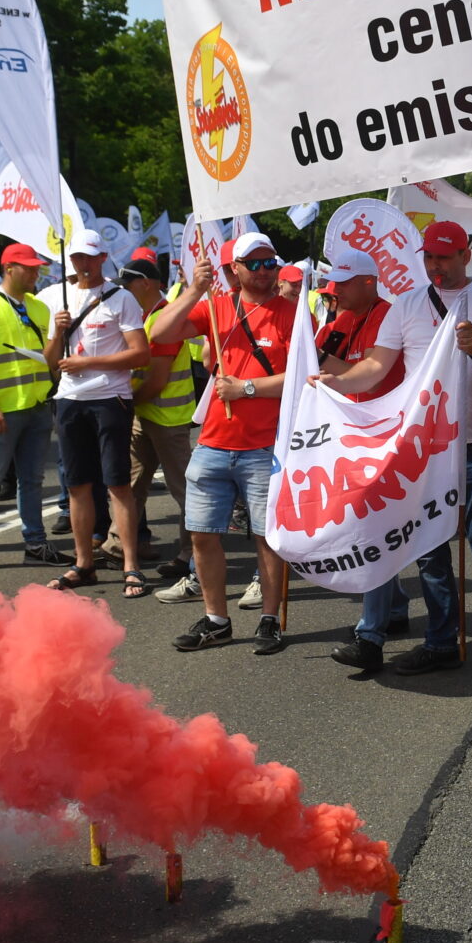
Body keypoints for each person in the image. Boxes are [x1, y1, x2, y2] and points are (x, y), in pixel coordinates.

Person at [318, 220, 472, 683]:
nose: (436, 266)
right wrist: (336, 383)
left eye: (445, 257)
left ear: (466, 256)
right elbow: (374, 367)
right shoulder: (407, 304)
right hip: (423, 448)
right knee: (429, 548)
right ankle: (441, 641)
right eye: (430, 257)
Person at [144, 232, 294, 655]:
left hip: (266, 446)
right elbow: (160, 332)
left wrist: (246, 389)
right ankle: (216, 619)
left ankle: (269, 619)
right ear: (235, 269)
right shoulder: (216, 306)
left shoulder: (293, 313)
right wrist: (194, 289)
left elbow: (301, 376)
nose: (265, 270)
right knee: (203, 535)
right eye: (255, 263)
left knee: (268, 538)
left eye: (270, 263)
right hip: (213, 443)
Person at [312, 249, 413, 671]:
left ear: (369, 282)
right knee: (376, 528)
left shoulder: (390, 315)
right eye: (333, 282)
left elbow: (373, 371)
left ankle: (370, 635)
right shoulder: (340, 318)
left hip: (385, 434)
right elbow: (318, 359)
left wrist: (329, 367)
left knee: (373, 531)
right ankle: (396, 608)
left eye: (343, 282)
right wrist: (313, 328)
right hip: (351, 435)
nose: (335, 289)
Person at [43, 231, 151, 597]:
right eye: (76, 258)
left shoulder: (122, 298)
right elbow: (51, 361)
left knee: (117, 484)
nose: (82, 264)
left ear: (103, 257)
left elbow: (140, 354)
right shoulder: (61, 298)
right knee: (76, 485)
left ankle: (130, 565)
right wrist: (57, 335)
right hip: (70, 400)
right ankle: (83, 562)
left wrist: (88, 362)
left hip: (110, 399)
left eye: (88, 257)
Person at [0, 244, 68, 576]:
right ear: (9, 268)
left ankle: (35, 542)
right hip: (1, 411)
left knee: (32, 479)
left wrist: (59, 332)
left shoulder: (39, 307)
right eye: (29, 268)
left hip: (36, 406)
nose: (36, 273)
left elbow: (50, 360)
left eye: (37, 268)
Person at [121, 255, 196, 587]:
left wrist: (128, 402)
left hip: (167, 418)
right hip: (148, 415)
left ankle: (192, 554)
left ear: (146, 283)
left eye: (128, 283)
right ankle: (118, 546)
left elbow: (157, 380)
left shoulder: (165, 317)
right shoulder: (146, 316)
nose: (124, 289)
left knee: (185, 492)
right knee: (131, 486)